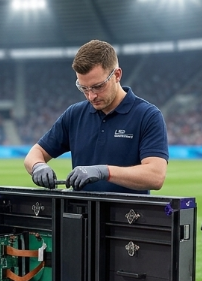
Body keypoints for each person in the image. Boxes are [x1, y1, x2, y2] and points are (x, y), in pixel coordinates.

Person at [23, 39, 168, 193]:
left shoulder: (148, 116)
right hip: (83, 214)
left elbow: (155, 176)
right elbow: (35, 153)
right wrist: (38, 166)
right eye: (83, 88)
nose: (91, 96)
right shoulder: (74, 115)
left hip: (129, 215)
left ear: (117, 75)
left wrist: (103, 172)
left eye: (98, 86)